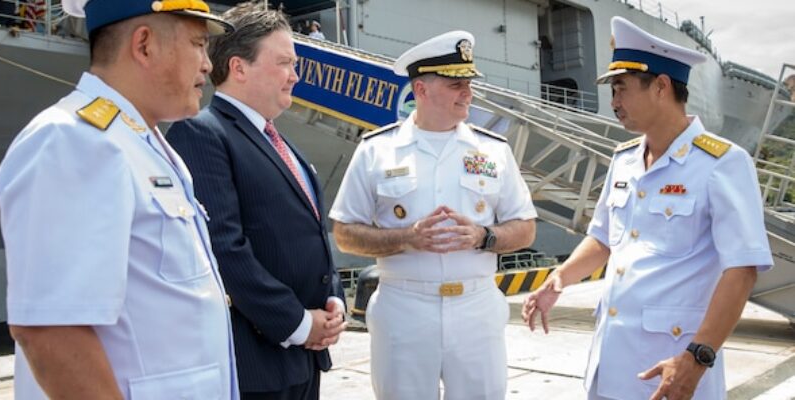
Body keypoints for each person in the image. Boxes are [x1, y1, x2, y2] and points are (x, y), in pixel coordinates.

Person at [0, 0, 237, 399]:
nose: (208, 64)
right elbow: (52, 331)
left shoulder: (143, 143)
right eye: (197, 44)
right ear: (144, 45)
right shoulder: (74, 140)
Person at [523, 16, 773, 400]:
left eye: (621, 88)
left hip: (674, 369)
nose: (614, 102)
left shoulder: (722, 163)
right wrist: (560, 277)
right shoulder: (624, 160)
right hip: (611, 367)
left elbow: (741, 270)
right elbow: (604, 238)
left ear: (660, 86)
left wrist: (697, 358)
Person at [329, 31, 538, 399]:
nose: (468, 93)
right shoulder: (377, 151)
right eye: (456, 84)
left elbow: (524, 228)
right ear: (422, 90)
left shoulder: (494, 151)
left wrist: (483, 237)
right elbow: (344, 233)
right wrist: (406, 237)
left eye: (469, 84)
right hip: (403, 309)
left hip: (476, 309)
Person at [166, 5, 346, 400]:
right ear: (239, 67)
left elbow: (313, 236)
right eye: (284, 62)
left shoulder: (288, 149)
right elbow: (224, 248)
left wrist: (333, 301)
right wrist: (298, 323)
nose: (295, 75)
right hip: (255, 363)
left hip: (304, 358)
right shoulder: (201, 134)